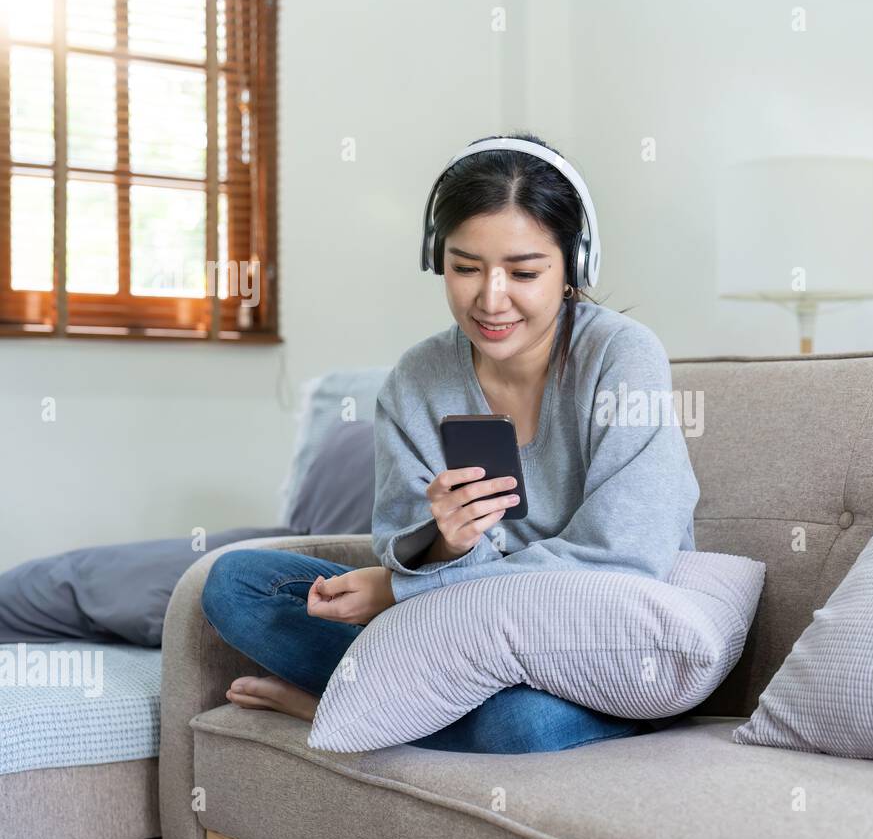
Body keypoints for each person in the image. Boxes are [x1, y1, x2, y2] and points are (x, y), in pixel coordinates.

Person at [201, 132, 701, 753]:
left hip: (592, 645)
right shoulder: (418, 378)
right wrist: (443, 543)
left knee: (519, 723)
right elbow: (397, 543)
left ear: (574, 266)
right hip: (450, 640)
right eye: (466, 268)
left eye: (524, 272)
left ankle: (340, 705)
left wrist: (405, 589)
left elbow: (620, 561)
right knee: (238, 581)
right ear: (438, 259)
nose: (491, 299)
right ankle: (392, 705)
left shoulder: (622, 357)